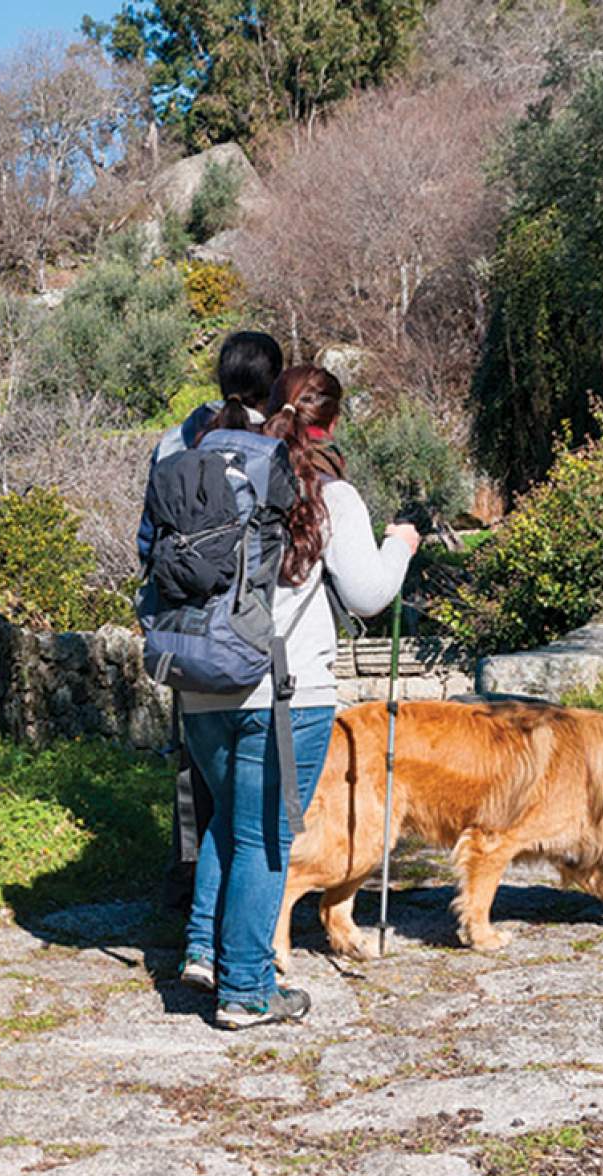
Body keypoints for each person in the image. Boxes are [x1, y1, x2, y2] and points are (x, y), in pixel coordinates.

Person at [178, 364, 418, 1028]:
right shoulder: (329, 491)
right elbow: (369, 594)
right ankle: (248, 990)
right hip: (285, 691)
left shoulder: (210, 467)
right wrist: (400, 544)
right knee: (266, 839)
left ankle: (205, 950)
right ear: (331, 422)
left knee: (229, 821)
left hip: (200, 682)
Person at [141, 332, 284, 911]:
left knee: (194, 762)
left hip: (181, 630)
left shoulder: (175, 440)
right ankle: (241, 908)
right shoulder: (267, 448)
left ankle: (191, 886)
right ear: (272, 388)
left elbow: (148, 541)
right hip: (246, 638)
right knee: (252, 783)